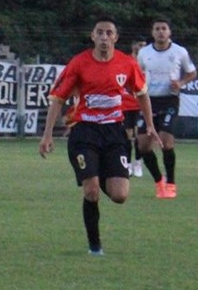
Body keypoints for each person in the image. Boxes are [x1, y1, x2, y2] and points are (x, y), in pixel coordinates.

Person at [39, 17, 159, 256]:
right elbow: (58, 99)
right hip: (84, 132)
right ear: (92, 36)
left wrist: (150, 125)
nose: (104, 37)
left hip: (115, 132)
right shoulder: (79, 63)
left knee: (120, 195)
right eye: (100, 33)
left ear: (116, 38)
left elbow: (142, 94)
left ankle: (100, 172)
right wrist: (47, 134)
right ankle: (95, 246)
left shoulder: (127, 64)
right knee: (91, 190)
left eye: (109, 33)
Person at [134, 18, 197, 198]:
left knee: (166, 141)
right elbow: (137, 74)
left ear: (169, 32)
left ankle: (171, 183)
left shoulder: (179, 52)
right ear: (152, 32)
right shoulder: (144, 53)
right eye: (157, 29)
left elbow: (192, 72)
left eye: (164, 28)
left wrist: (181, 82)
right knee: (143, 145)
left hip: (170, 100)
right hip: (148, 101)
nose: (161, 32)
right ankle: (158, 181)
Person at [127, 37, 148, 177]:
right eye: (140, 45)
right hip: (127, 104)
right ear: (133, 46)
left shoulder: (148, 62)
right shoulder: (126, 61)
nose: (142, 48)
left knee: (139, 136)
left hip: (140, 104)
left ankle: (138, 163)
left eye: (145, 46)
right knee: (128, 136)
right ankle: (127, 164)